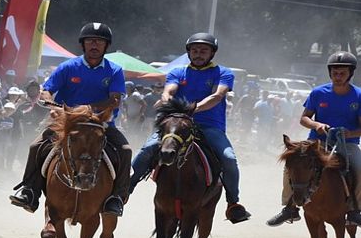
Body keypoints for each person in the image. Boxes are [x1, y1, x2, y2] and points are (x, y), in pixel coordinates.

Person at [9, 22, 131, 216]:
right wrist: (52, 106)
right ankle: (30, 191)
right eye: (90, 41)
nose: (94, 45)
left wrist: (85, 110)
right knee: (35, 146)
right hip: (66, 122)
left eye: (99, 42)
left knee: (125, 151)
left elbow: (114, 99)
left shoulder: (114, 70)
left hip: (100, 124)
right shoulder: (67, 67)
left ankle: (116, 197)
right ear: (83, 44)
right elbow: (47, 91)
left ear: (106, 46)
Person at [128, 33, 251, 224]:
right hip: (177, 126)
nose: (198, 54)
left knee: (229, 158)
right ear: (188, 52)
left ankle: (233, 203)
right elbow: (168, 91)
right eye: (194, 50)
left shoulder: (223, 73)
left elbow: (217, 96)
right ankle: (124, 190)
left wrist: (190, 109)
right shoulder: (177, 72)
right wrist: (168, 102)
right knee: (147, 149)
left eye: (203, 51)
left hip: (209, 127)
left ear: (212, 53)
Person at [267, 52, 361, 226]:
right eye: (335, 73)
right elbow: (304, 118)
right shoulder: (318, 93)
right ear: (330, 73)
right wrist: (317, 125)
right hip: (316, 143)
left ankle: (355, 210)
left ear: (350, 74)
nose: (338, 77)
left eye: (342, 73)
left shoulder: (358, 95)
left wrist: (349, 133)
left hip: (347, 144)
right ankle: (289, 208)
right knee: (291, 164)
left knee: (360, 169)